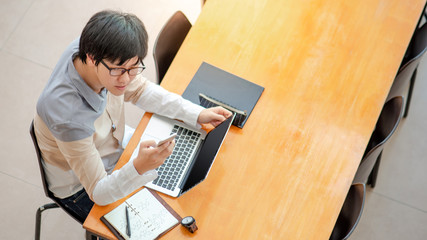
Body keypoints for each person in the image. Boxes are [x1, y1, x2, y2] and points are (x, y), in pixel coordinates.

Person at [34, 10, 232, 223]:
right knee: (165, 222)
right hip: (80, 188)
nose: (127, 79)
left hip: (113, 144)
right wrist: (138, 167)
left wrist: (196, 112)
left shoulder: (96, 49)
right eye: (120, 70)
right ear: (92, 59)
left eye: (133, 68)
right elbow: (99, 193)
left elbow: (140, 90)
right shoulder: (68, 116)